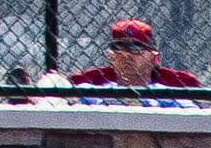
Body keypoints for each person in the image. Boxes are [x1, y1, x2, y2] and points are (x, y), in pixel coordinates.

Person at [65, 20, 201, 94]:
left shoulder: (174, 86)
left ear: (154, 58)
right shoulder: (93, 84)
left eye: (135, 49)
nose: (126, 54)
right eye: (118, 47)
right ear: (110, 55)